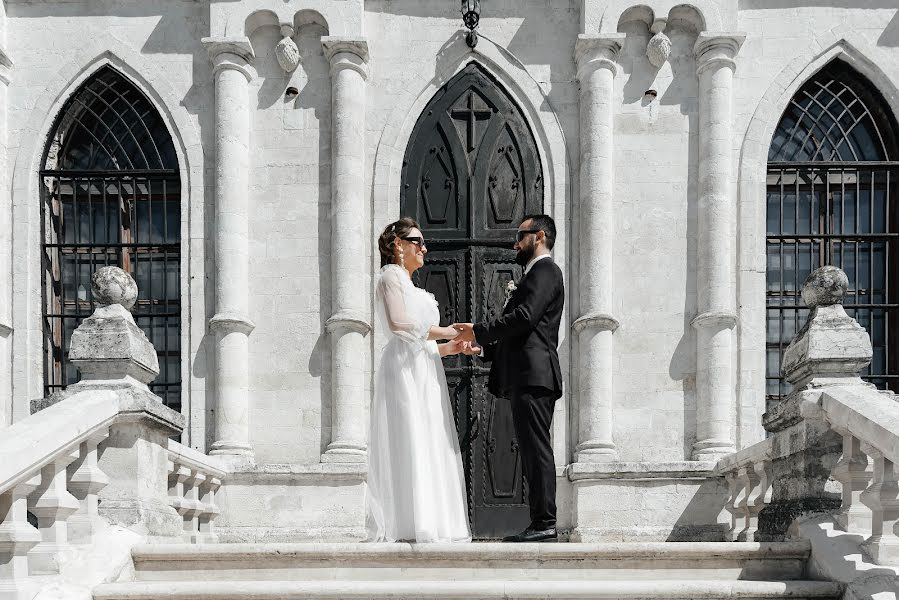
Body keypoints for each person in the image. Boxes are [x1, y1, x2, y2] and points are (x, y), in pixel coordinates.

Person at [454, 214, 564, 543]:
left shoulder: (545, 271)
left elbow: (526, 317)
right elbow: (522, 331)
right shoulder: (534, 274)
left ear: (539, 236)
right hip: (527, 374)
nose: (515, 243)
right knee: (531, 450)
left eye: (521, 235)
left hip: (535, 375)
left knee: (537, 450)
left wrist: (482, 331)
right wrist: (482, 350)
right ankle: (540, 521)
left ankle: (545, 522)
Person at [366, 217, 475, 543]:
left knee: (429, 439)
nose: (424, 248)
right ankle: (409, 523)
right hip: (402, 372)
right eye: (417, 241)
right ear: (398, 244)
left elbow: (422, 344)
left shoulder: (411, 285)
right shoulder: (390, 277)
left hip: (424, 370)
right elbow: (400, 325)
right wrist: (449, 329)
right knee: (410, 437)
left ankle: (430, 520)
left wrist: (452, 346)